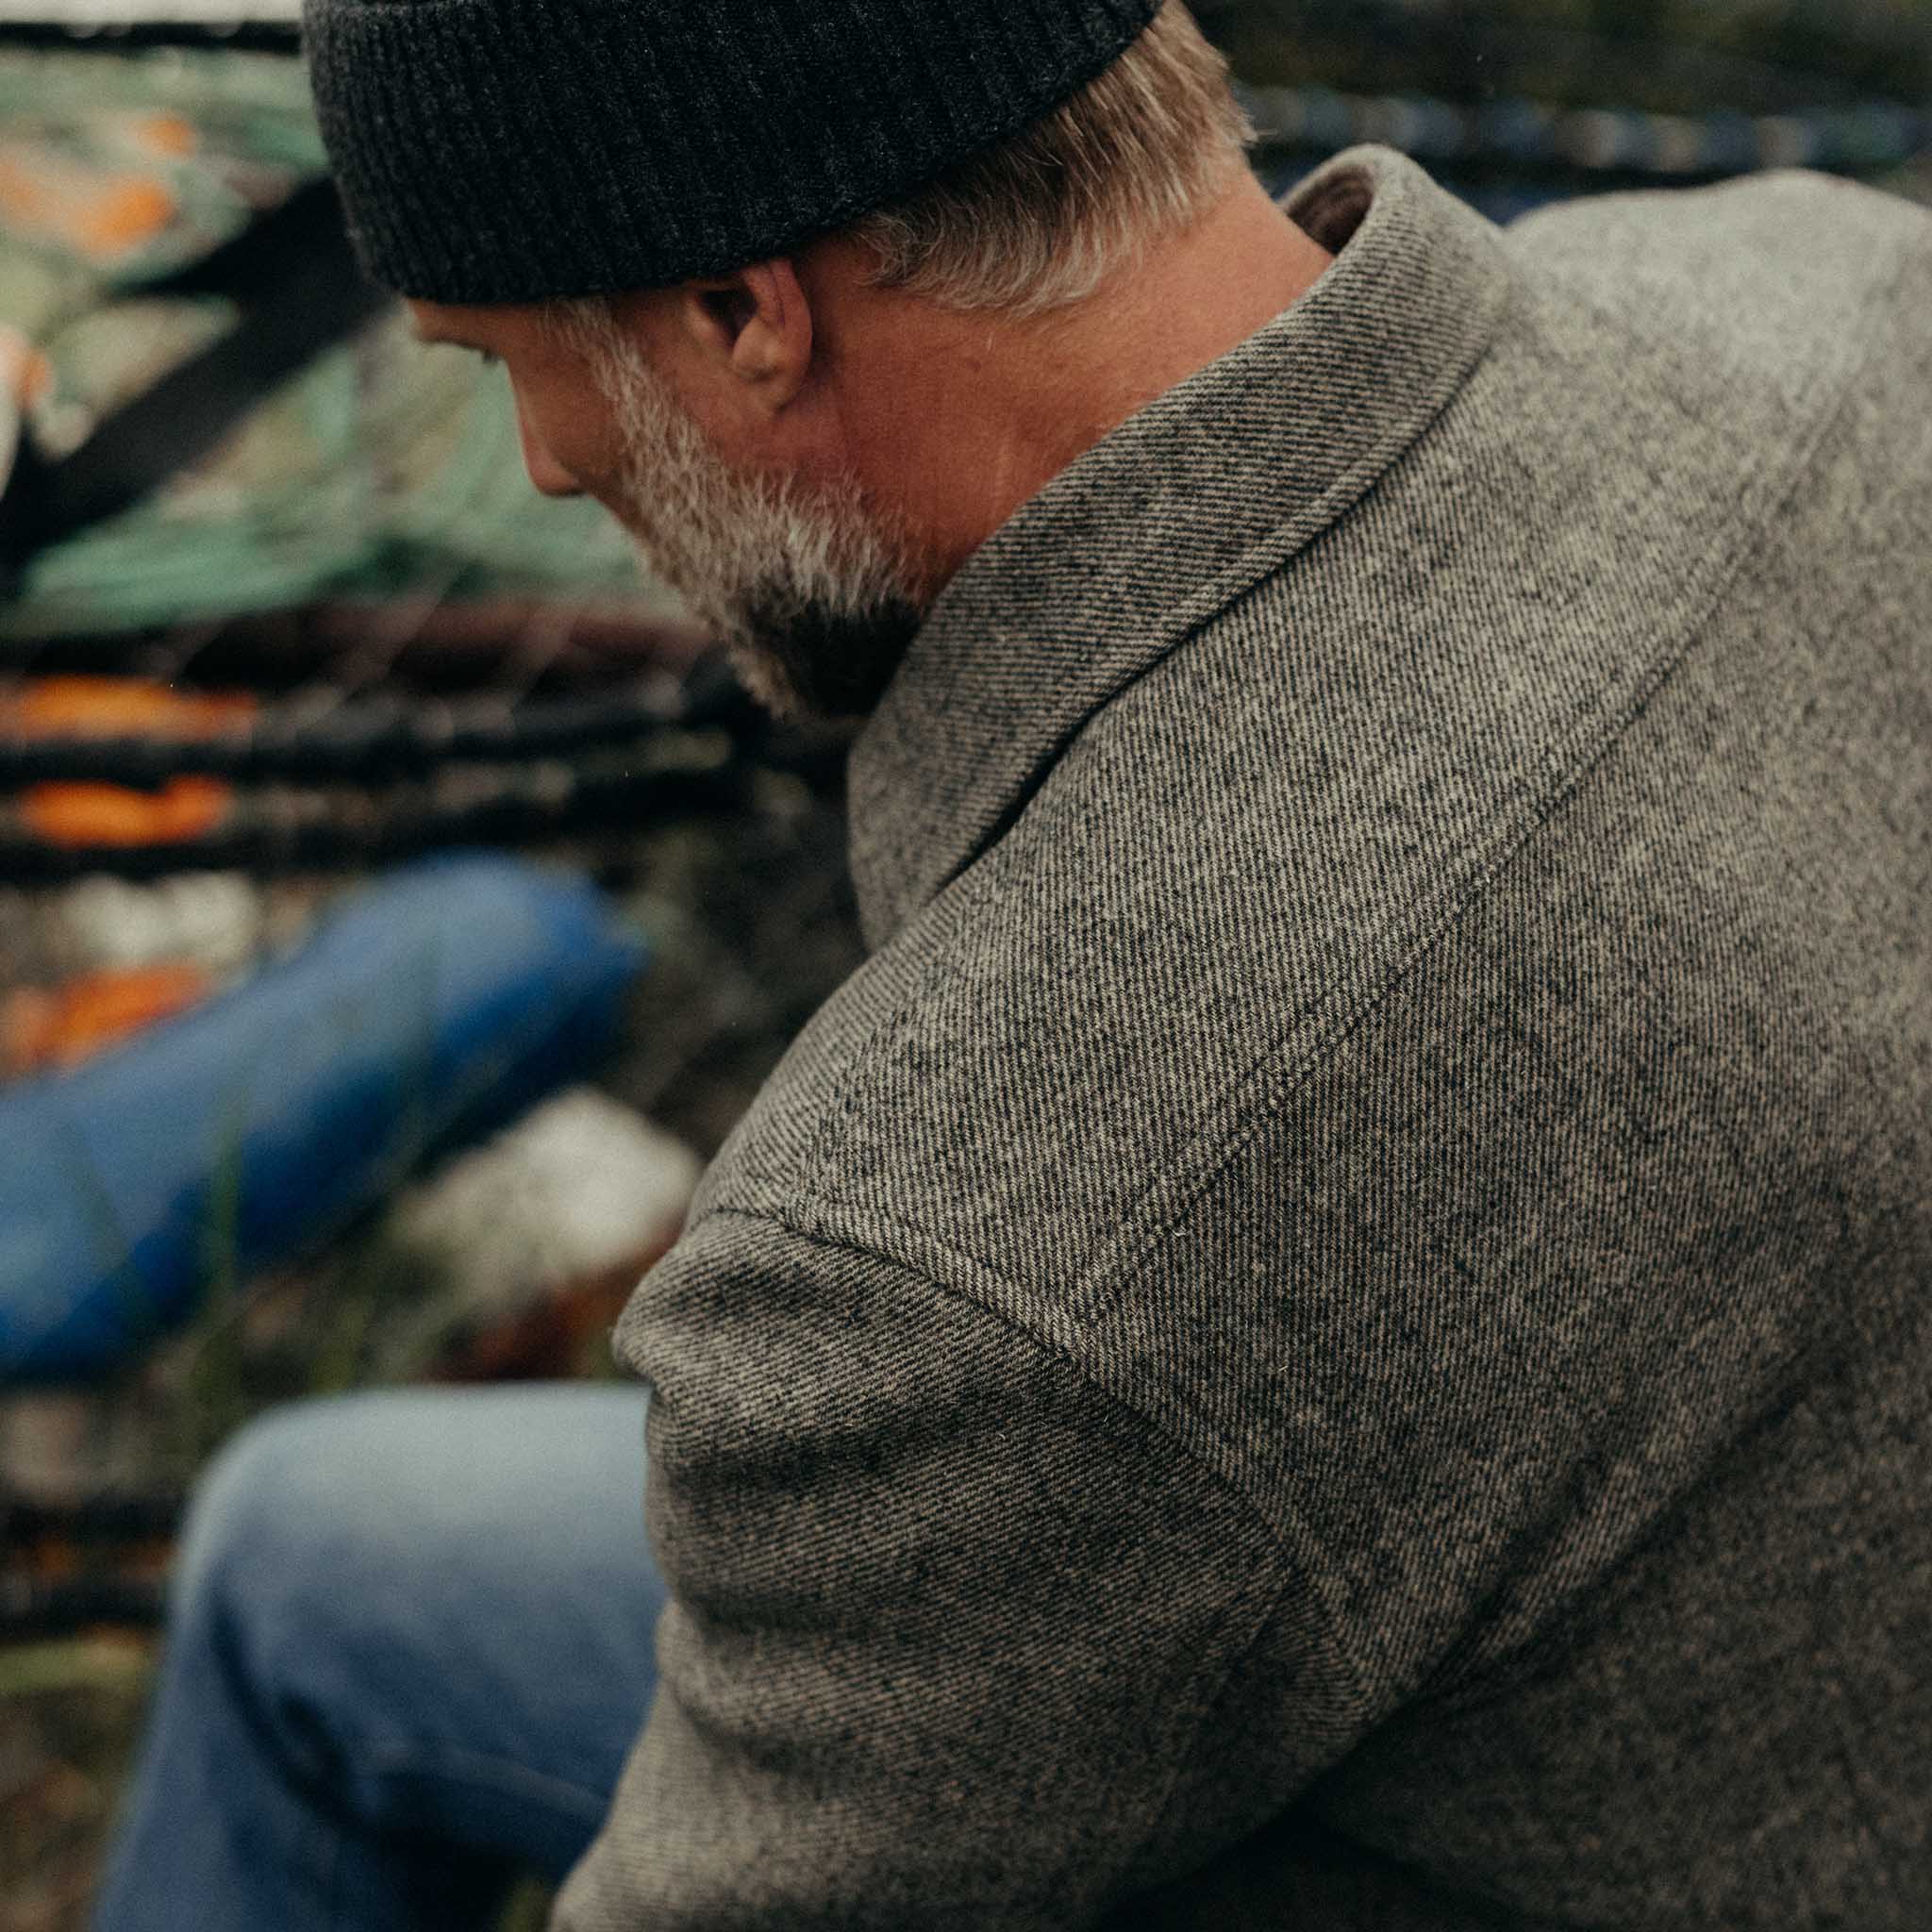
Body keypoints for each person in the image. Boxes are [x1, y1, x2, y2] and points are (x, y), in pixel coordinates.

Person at [96, 2, 1932, 1927]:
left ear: (742, 310)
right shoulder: (1833, 288)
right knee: (305, 1552)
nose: (547, 467)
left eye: (506, 363)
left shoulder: (964, 1253)